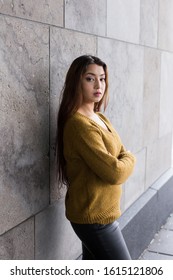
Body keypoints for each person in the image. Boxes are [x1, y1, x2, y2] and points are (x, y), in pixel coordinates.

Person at [56, 55, 136, 260]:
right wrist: (130, 159)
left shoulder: (100, 117)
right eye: (90, 78)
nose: (98, 84)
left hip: (103, 215)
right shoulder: (79, 125)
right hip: (94, 220)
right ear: (77, 82)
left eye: (102, 78)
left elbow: (121, 153)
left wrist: (123, 157)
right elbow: (114, 172)